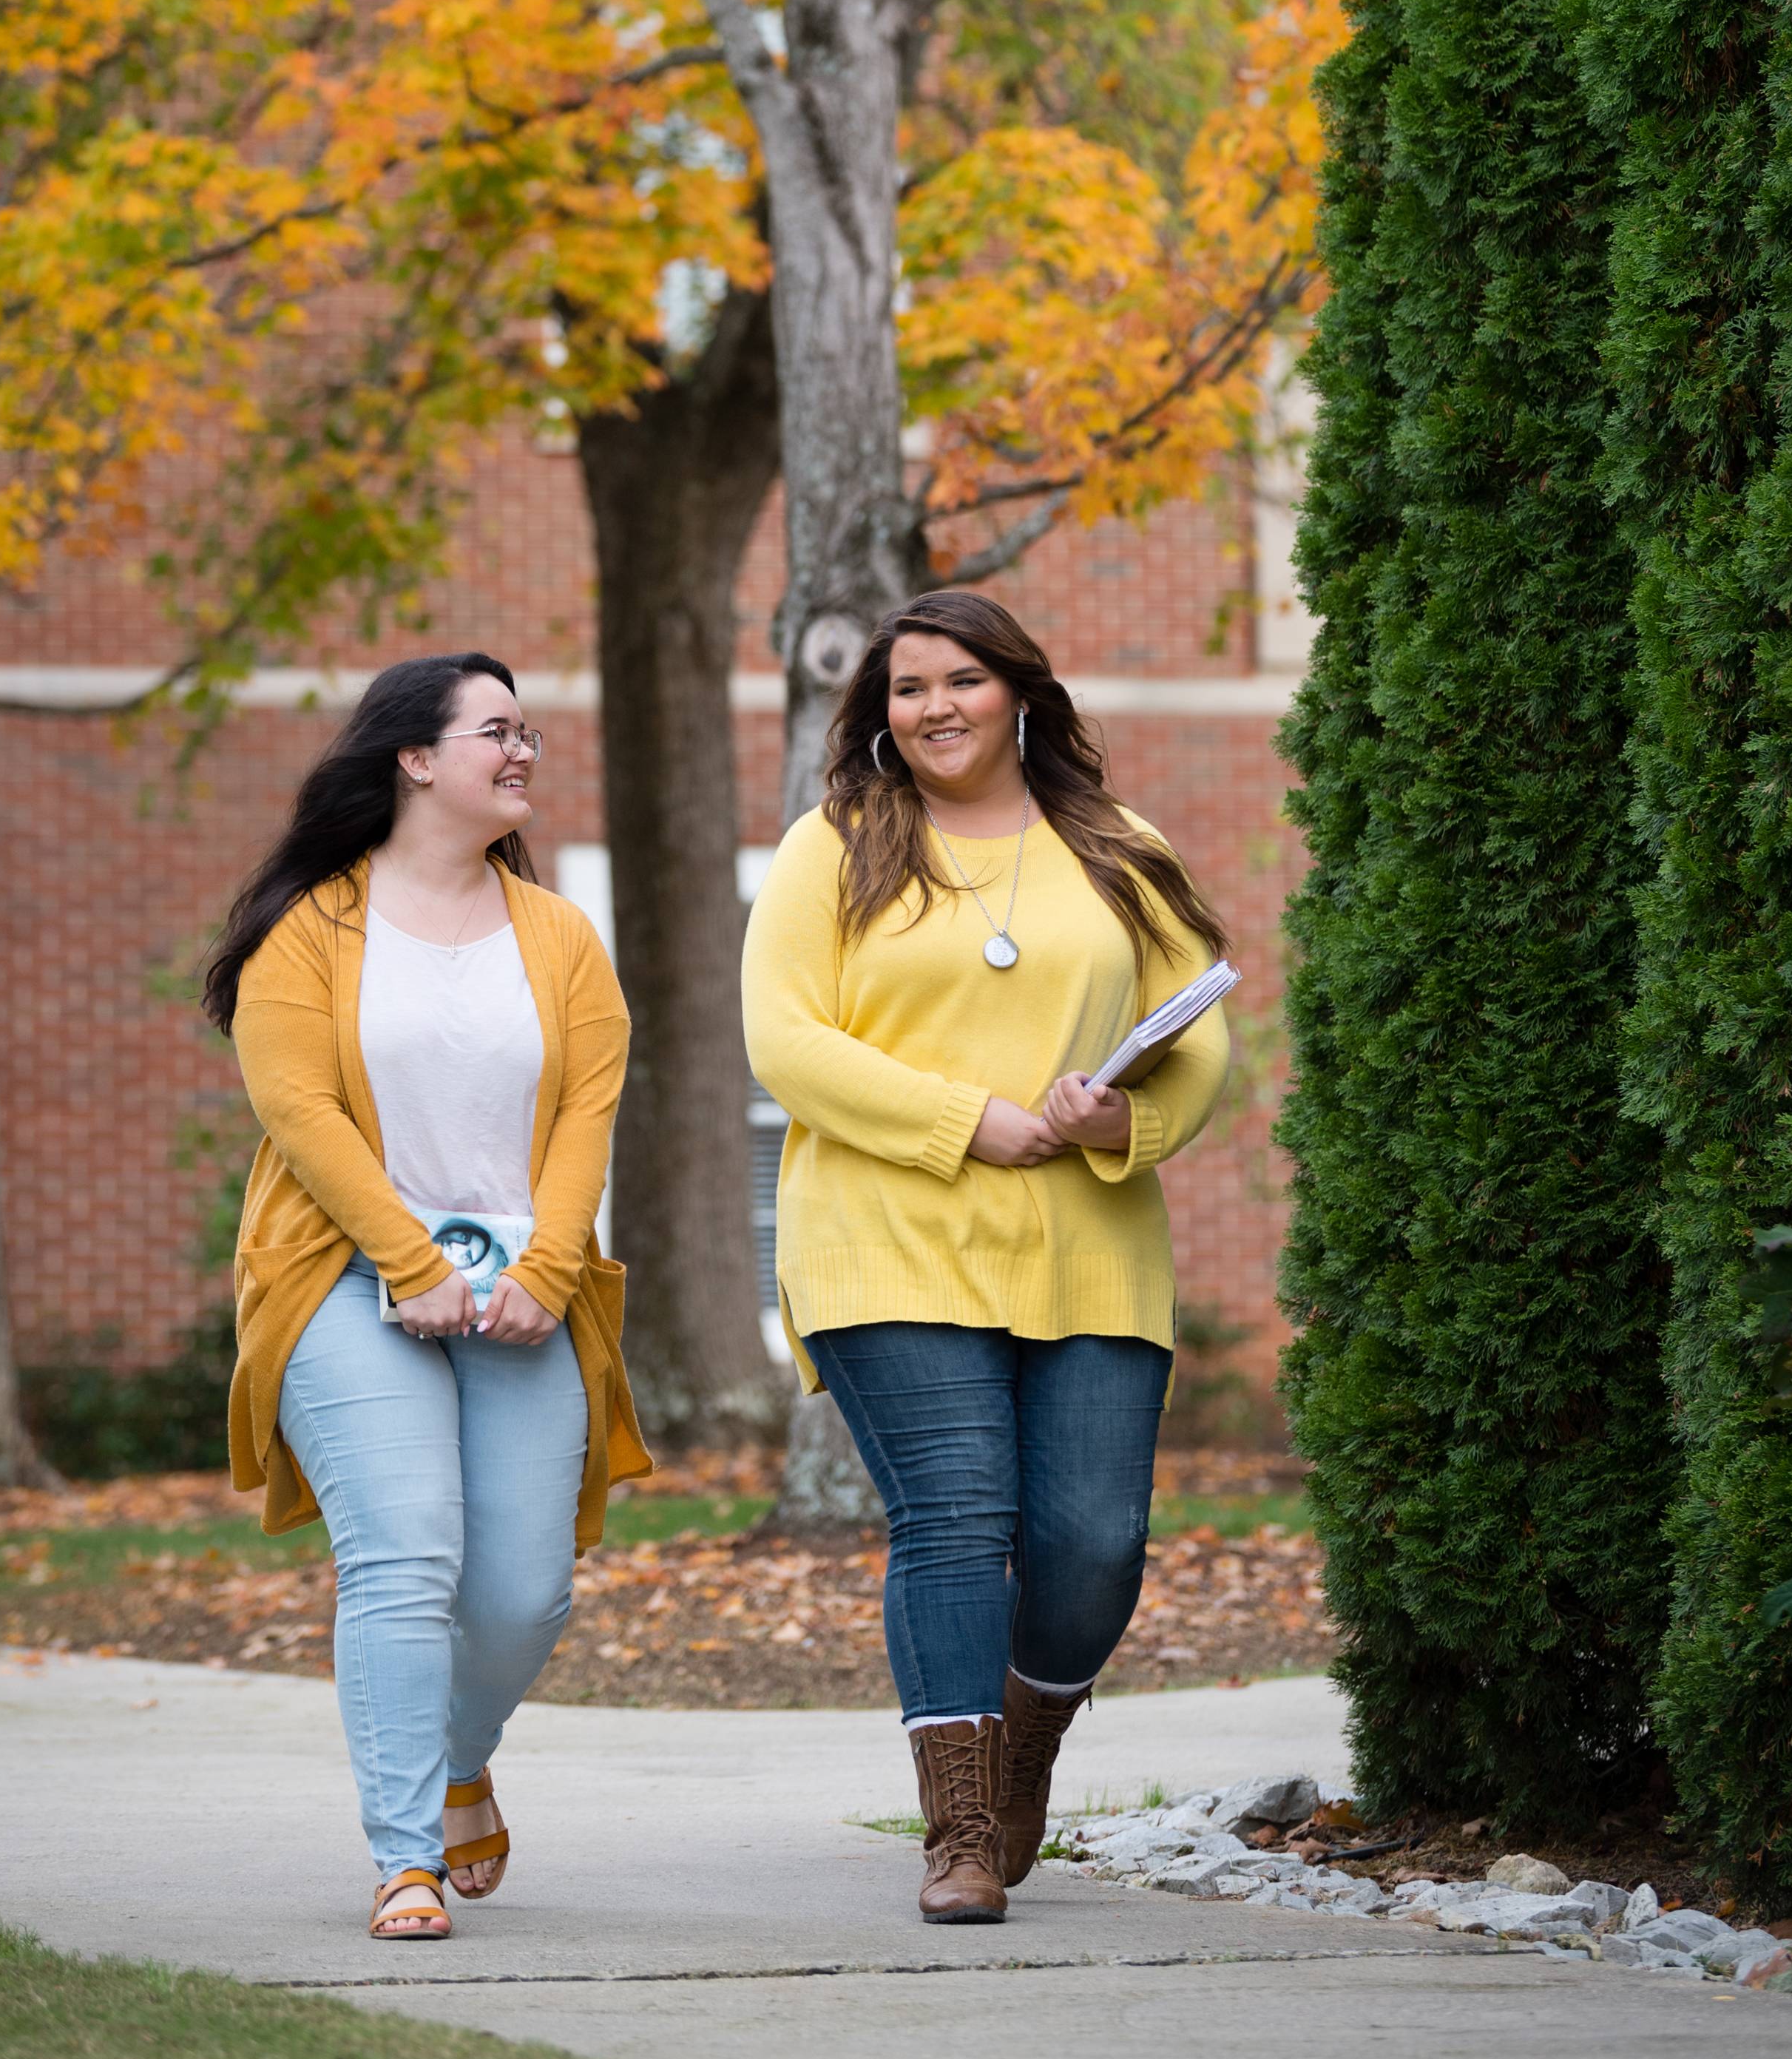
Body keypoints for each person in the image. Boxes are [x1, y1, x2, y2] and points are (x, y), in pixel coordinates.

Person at [742, 590, 1231, 1926]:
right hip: (887, 1238)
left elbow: (1203, 1037)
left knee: (1094, 1546)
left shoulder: (1117, 847)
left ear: (1020, 691)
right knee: (955, 1519)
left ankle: (1028, 1745)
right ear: (879, 712)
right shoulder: (832, 846)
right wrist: (969, 1122)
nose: (935, 707)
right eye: (908, 688)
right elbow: (786, 1040)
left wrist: (1128, 1116)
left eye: (961, 679)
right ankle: (958, 1827)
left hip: (1088, 1245)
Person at [204, 653, 648, 1942]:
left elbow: (586, 1115)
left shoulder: (559, 935)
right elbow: (300, 1111)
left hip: (522, 1288)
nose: (524, 752)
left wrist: (546, 1272)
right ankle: (405, 1856)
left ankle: (460, 1758)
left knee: (524, 1592)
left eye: (530, 733)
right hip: (345, 1279)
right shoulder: (312, 927)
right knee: (403, 1559)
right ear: (414, 757)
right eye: (496, 731)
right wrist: (411, 1261)